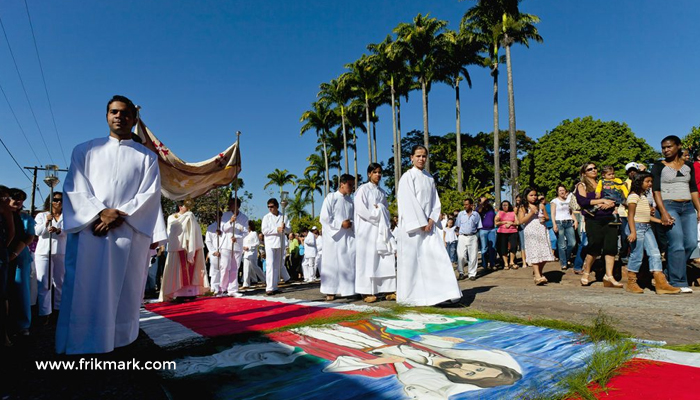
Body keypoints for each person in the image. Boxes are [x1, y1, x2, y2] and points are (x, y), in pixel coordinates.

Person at [57, 95, 163, 354]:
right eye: (114, 112)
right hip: (89, 230)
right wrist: (99, 212)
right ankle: (79, 343)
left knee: (122, 289)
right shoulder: (84, 150)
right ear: (106, 116)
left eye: (125, 113)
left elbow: (149, 195)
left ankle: (119, 341)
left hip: (126, 232)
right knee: (84, 285)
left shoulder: (147, 157)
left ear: (134, 119)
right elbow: (74, 187)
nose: (119, 116)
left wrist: (119, 214)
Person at [396, 145, 462, 306]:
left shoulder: (429, 178)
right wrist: (421, 221)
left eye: (424, 156)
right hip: (414, 229)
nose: (421, 159)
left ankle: (439, 294)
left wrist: (432, 219)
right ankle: (412, 298)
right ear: (411, 157)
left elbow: (435, 202)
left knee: (436, 258)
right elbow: (407, 202)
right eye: (418, 156)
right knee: (412, 262)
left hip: (429, 227)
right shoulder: (407, 177)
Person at [652, 135, 700, 293]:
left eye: (669, 147)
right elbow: (656, 191)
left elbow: (693, 189)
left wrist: (699, 209)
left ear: (678, 146)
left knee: (692, 243)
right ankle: (678, 281)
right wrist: (663, 212)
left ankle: (670, 271)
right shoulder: (659, 166)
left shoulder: (688, 165)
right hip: (668, 205)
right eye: (663, 147)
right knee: (677, 243)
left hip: (687, 207)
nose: (665, 150)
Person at [625, 171, 679, 294]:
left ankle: (661, 283)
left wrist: (661, 221)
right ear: (639, 182)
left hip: (646, 227)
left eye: (651, 181)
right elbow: (630, 216)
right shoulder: (633, 197)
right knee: (637, 254)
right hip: (637, 228)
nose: (650, 184)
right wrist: (633, 232)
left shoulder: (643, 196)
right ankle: (631, 282)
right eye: (647, 181)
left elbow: (646, 216)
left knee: (655, 253)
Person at [354, 163, 397, 303]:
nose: (378, 175)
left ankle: (388, 290)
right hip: (367, 230)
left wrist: (381, 211)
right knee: (368, 261)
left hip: (380, 230)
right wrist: (376, 214)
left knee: (384, 259)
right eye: (375, 172)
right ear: (369, 174)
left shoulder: (382, 192)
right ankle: (365, 291)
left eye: (379, 172)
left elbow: (386, 209)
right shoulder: (362, 189)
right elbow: (361, 210)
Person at [574, 162, 622, 288]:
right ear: (584, 173)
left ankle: (609, 276)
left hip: (609, 217)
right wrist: (601, 200)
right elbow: (583, 201)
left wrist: (611, 203)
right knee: (594, 247)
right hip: (593, 218)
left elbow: (617, 195)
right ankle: (586, 272)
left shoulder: (605, 182)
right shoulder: (582, 185)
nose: (594, 170)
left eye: (595, 168)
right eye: (590, 169)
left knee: (610, 247)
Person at [159, 199, 210, 300]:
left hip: (191, 246)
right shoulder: (172, 217)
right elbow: (173, 230)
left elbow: (196, 230)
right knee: (179, 270)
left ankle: (191, 292)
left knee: (192, 269)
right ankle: (178, 293)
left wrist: (190, 218)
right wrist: (186, 218)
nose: (188, 208)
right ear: (180, 207)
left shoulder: (191, 216)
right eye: (186, 206)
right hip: (178, 247)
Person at [320, 174, 357, 301]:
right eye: (350, 185)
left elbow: (353, 218)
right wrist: (340, 224)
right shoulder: (331, 197)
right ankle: (330, 290)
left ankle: (348, 289)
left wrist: (351, 224)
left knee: (348, 261)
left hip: (347, 236)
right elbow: (324, 218)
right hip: (334, 238)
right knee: (332, 263)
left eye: (353, 185)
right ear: (342, 184)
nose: (352, 188)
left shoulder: (350, 201)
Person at [34, 193, 67, 321]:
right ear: (50, 201)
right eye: (56, 200)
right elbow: (38, 232)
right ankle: (44, 312)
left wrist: (59, 230)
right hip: (44, 252)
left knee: (60, 282)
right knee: (44, 283)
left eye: (61, 200)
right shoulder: (42, 215)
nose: (58, 202)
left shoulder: (67, 216)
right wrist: (47, 222)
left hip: (61, 251)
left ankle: (58, 310)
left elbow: (69, 232)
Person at [7, 189, 35, 336]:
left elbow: (30, 237)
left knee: (21, 290)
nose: (18, 201)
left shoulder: (26, 218)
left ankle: (23, 324)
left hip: (20, 257)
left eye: (22, 199)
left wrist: (15, 252)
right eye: (15, 197)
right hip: (4, 255)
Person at [517, 188, 555, 285]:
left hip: (541, 229)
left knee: (544, 252)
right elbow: (521, 221)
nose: (533, 197)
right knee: (534, 251)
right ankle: (538, 276)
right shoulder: (523, 207)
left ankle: (538, 272)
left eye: (535, 195)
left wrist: (544, 218)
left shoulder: (541, 205)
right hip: (530, 230)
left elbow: (547, 217)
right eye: (531, 195)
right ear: (526, 196)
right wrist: (531, 213)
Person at [261, 198, 290, 295]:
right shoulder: (266, 217)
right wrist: (276, 229)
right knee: (270, 264)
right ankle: (269, 288)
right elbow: (264, 230)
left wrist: (285, 228)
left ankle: (275, 286)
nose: (270, 209)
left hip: (280, 243)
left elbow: (289, 230)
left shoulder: (284, 217)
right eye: (268, 207)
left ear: (277, 206)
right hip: (270, 243)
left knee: (277, 266)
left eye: (272, 207)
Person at [221, 198, 248, 296]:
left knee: (235, 267)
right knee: (224, 267)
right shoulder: (225, 215)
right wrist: (230, 222)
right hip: (226, 245)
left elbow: (245, 232)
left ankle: (232, 289)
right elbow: (222, 228)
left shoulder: (244, 218)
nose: (229, 205)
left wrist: (237, 237)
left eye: (231, 203)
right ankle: (222, 289)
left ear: (237, 205)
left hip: (237, 245)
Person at [0, 185, 14, 347]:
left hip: (0, 253)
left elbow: (11, 233)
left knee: (1, 295)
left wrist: (3, 249)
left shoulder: (4, 209)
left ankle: (3, 335)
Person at [550, 185, 577, 270]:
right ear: (557, 192)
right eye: (560, 190)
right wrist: (554, 224)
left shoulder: (568, 200)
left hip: (569, 222)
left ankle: (567, 257)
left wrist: (575, 220)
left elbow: (570, 212)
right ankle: (564, 263)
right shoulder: (554, 201)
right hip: (559, 222)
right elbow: (553, 214)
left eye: (563, 190)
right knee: (562, 245)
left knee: (573, 243)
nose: (562, 192)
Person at [455, 198, 481, 281]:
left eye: (466, 204)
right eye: (464, 204)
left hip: (473, 236)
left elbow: (479, 226)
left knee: (473, 256)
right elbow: (458, 226)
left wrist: (476, 236)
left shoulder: (476, 215)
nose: (465, 206)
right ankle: (461, 272)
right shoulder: (460, 214)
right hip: (462, 236)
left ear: (471, 205)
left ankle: (472, 274)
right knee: (461, 255)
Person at [205, 211, 230, 295]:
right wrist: (213, 251)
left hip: (225, 251)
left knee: (225, 269)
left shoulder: (226, 226)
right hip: (215, 251)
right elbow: (208, 241)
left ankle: (224, 287)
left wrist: (221, 234)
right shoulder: (211, 227)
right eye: (217, 216)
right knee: (215, 270)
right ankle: (215, 288)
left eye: (220, 216)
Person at [495, 200, 519, 269]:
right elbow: (496, 222)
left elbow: (517, 222)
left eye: (506, 205)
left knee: (513, 246)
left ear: (509, 206)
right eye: (503, 205)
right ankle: (506, 263)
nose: (505, 206)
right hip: (502, 232)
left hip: (513, 231)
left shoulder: (513, 213)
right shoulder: (499, 213)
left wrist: (511, 223)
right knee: (503, 248)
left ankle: (511, 262)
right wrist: (505, 222)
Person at [241, 220, 264, 288]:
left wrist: (250, 247)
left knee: (255, 267)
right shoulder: (245, 235)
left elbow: (257, 243)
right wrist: (243, 248)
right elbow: (243, 244)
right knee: (246, 268)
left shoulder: (254, 233)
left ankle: (264, 279)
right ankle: (246, 283)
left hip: (252, 252)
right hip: (246, 253)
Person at [478, 199, 497, 271]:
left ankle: (492, 263)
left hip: (492, 230)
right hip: (483, 230)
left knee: (493, 247)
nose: (485, 203)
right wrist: (481, 205)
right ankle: (484, 264)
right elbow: (478, 211)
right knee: (484, 247)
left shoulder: (491, 209)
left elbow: (494, 217)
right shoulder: (479, 209)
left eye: (486, 201)